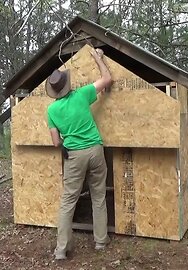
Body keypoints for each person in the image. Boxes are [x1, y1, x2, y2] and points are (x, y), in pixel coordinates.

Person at [45, 48, 113, 260]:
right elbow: (107, 79)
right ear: (67, 84)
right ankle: (101, 242)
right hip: (95, 151)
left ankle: (61, 250)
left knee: (68, 202)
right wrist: (97, 58)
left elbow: (56, 142)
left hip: (74, 155)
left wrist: (67, 139)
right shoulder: (82, 94)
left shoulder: (51, 111)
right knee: (98, 196)